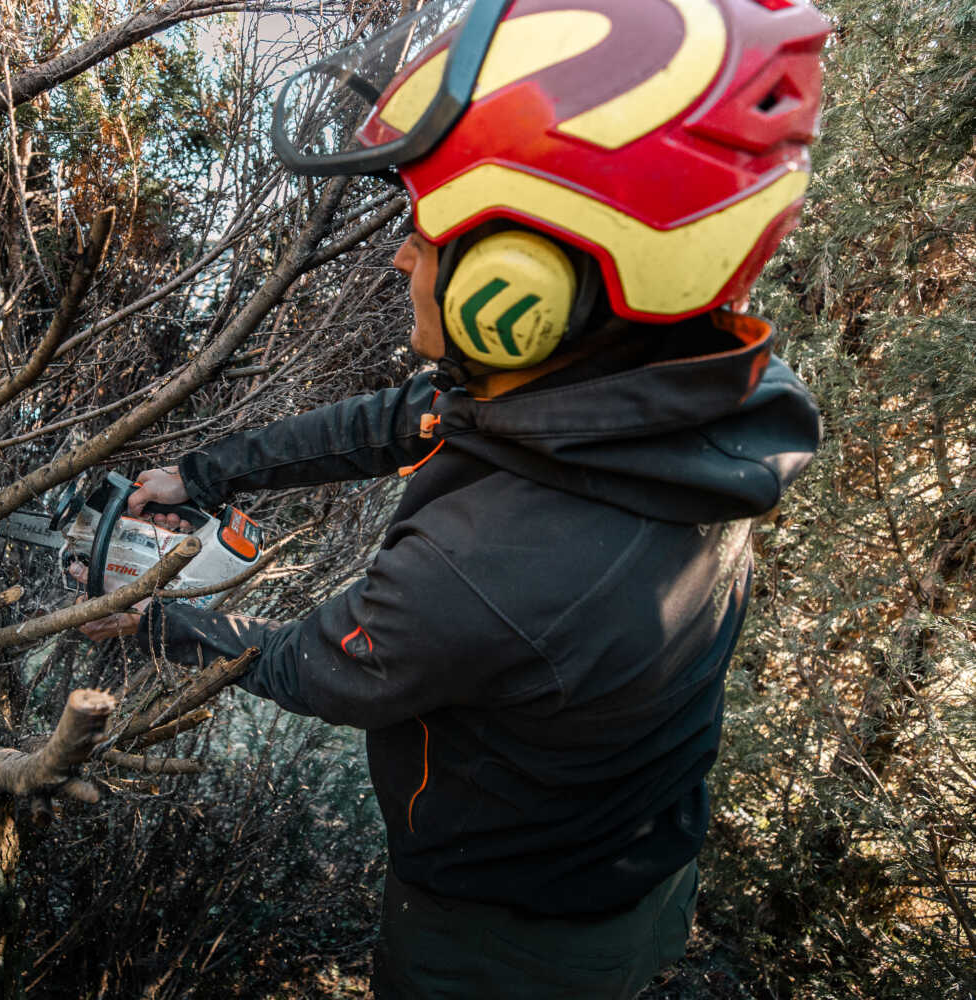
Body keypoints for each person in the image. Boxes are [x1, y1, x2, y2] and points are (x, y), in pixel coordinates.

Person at [80, 0, 832, 995]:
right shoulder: (659, 390)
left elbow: (320, 665)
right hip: (632, 854)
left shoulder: (495, 569)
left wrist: (153, 622)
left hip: (504, 935)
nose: (402, 255)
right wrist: (205, 473)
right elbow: (409, 415)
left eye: (432, 229)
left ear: (528, 280)